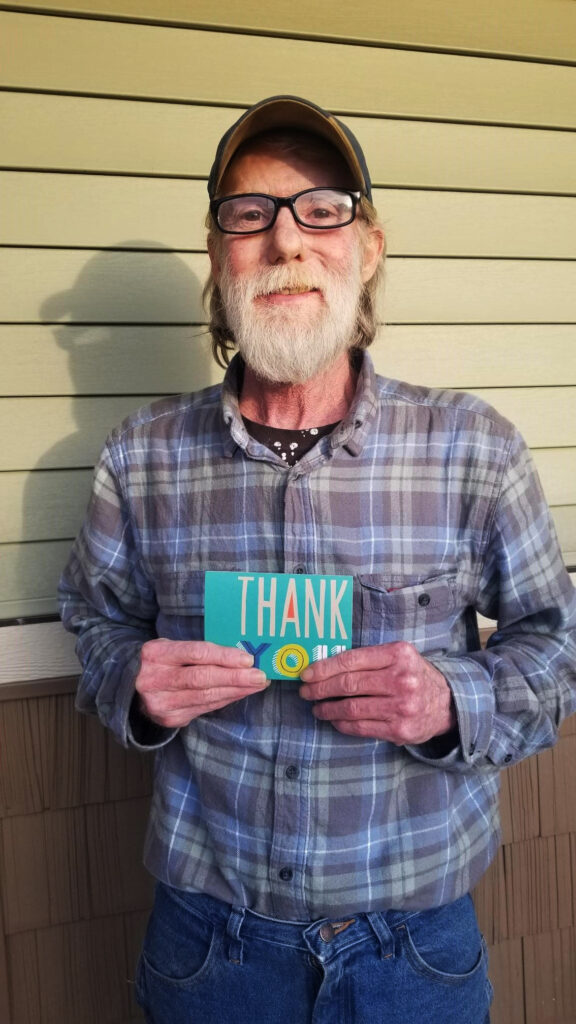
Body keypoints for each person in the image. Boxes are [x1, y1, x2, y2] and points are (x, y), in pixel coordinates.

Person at [59, 95, 576, 1024]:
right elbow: (93, 619)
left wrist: (455, 700)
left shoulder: (474, 447)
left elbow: (556, 643)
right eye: (249, 215)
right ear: (220, 260)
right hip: (207, 946)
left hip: (415, 947)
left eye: (321, 209)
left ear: (367, 248)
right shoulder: (140, 457)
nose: (286, 241)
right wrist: (130, 684)